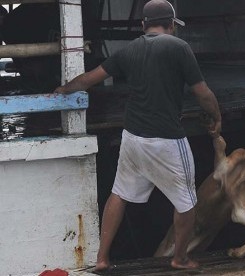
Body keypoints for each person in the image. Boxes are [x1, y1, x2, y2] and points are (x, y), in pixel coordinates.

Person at [54, 0, 221, 270]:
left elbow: (88, 79)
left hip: (132, 138)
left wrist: (62, 90)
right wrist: (217, 116)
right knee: (187, 202)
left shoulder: (129, 50)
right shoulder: (179, 47)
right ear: (171, 25)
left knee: (118, 194)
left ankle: (101, 258)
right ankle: (180, 258)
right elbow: (202, 93)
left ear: (144, 25)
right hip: (167, 139)